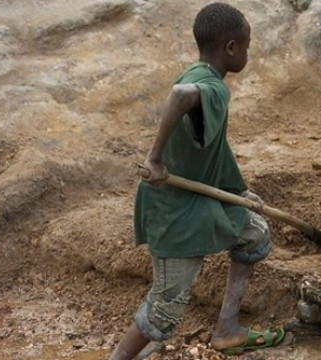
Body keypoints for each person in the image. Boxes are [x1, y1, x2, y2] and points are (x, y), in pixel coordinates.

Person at [108, 3, 285, 359]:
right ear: (231, 48)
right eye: (247, 46)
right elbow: (179, 96)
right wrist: (154, 158)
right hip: (176, 212)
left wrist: (241, 192)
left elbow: (212, 149)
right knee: (163, 310)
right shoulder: (212, 89)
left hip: (192, 202)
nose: (248, 52)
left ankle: (228, 329)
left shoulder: (200, 74)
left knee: (254, 233)